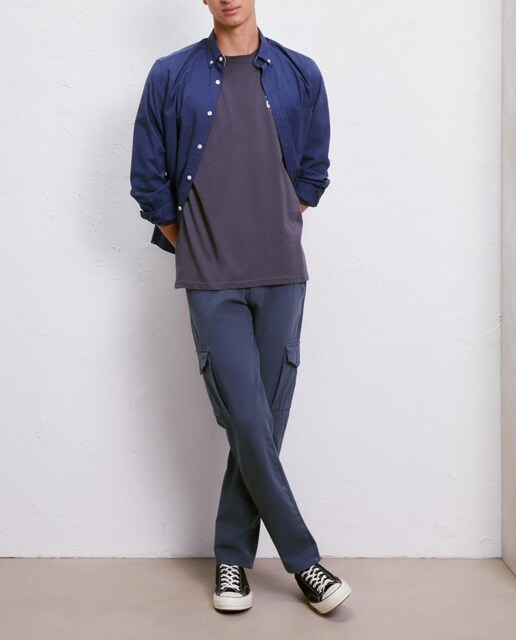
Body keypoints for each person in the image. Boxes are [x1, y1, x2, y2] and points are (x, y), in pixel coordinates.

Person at [130, 0, 352, 615]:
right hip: (211, 280)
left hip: (282, 274)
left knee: (262, 425)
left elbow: (312, 173)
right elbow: (147, 181)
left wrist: (273, 223)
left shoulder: (301, 73)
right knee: (248, 420)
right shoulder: (170, 75)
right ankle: (305, 562)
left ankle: (231, 559)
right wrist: (197, 246)